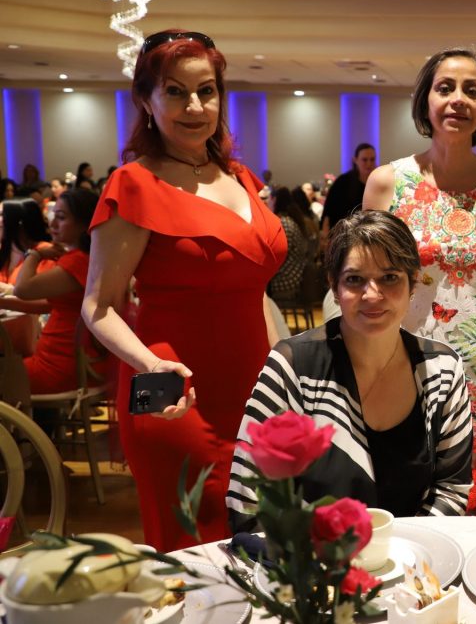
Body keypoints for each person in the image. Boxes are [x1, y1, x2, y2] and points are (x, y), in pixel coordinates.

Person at [81, 29, 286, 551]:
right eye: (174, 92)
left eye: (206, 91)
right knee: (194, 546)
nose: (194, 107)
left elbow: (255, 290)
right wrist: (151, 366)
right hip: (174, 391)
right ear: (146, 101)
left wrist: (285, 370)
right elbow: (97, 307)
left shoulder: (239, 177)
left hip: (255, 388)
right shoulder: (134, 184)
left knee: (262, 542)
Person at [227, 211, 472, 530]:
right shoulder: (294, 366)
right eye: (355, 279)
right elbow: (249, 495)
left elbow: (451, 489)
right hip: (310, 555)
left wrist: (404, 551)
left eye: (389, 277)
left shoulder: (442, 369)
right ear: (334, 285)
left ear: (413, 282)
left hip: (414, 555)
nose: (372, 295)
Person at [363, 47, 476, 511]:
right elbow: (365, 281)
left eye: (471, 91)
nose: (458, 99)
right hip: (408, 370)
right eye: (445, 88)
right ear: (426, 101)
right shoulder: (387, 183)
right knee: (408, 504)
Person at [14, 189, 106, 393]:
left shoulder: (78, 261)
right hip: (78, 360)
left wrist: (34, 254)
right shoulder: (91, 257)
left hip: (60, 366)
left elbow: (22, 289)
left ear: (85, 224)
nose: (53, 223)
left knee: (6, 370)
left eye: (61, 217)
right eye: (53, 215)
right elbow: (47, 304)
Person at [0, 198, 55, 313]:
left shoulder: (46, 252)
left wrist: (8, 291)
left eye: (1, 215)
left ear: (19, 222)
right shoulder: (4, 250)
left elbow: (46, 302)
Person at [322, 143, 377, 235]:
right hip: (343, 232)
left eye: (372, 159)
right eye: (364, 160)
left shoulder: (378, 182)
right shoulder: (342, 181)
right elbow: (328, 210)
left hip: (370, 233)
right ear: (355, 160)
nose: (369, 163)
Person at [267, 186, 308, 303]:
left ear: (274, 200)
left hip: (285, 280)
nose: (267, 203)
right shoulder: (290, 220)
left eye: (268, 199)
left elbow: (278, 257)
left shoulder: (284, 224)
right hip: (292, 277)